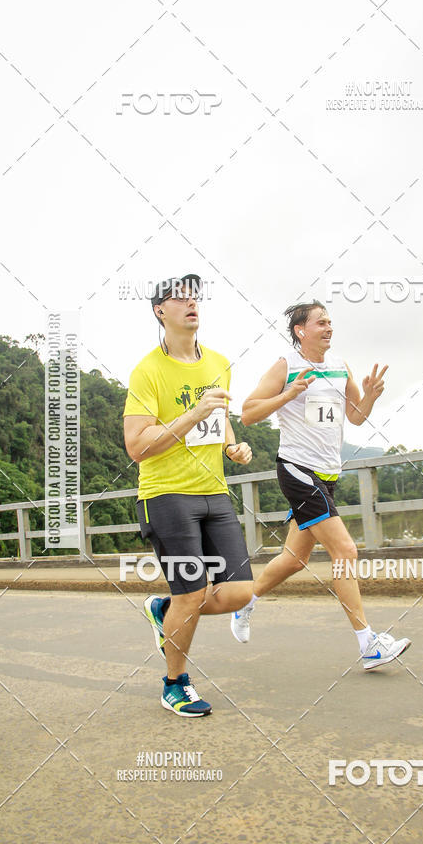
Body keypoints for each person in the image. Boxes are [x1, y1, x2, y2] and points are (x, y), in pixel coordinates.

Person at [231, 300, 411, 669]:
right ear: (301, 330)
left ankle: (245, 601)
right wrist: (289, 394)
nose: (329, 328)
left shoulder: (340, 366)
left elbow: (356, 418)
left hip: (327, 477)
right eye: (321, 323)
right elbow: (248, 413)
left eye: (331, 322)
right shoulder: (286, 365)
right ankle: (368, 644)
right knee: (345, 552)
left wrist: (372, 395)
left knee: (295, 559)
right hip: (298, 470)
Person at [123, 273, 253, 716]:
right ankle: (174, 683)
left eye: (195, 296)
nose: (190, 303)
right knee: (192, 593)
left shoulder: (219, 362)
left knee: (239, 592)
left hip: (214, 492)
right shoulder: (148, 370)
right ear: (160, 311)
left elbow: (218, 419)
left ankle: (163, 608)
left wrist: (232, 444)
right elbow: (137, 446)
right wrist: (191, 414)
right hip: (166, 495)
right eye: (179, 297)